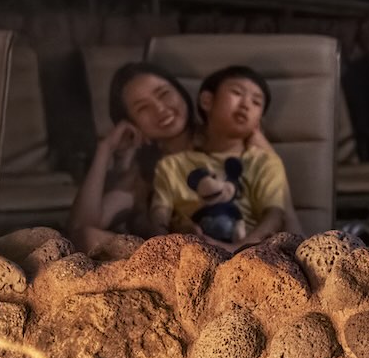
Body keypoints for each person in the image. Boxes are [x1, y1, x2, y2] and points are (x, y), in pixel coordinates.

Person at [152, 65, 297, 250]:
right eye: (237, 93)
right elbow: (159, 215)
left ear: (258, 120)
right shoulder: (171, 165)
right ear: (207, 101)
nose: (245, 104)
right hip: (187, 253)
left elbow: (275, 215)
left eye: (256, 102)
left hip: (249, 257)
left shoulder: (265, 162)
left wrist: (238, 248)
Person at [69, 63, 198, 252]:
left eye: (164, 94)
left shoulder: (226, 138)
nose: (160, 109)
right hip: (176, 263)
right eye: (143, 108)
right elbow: (80, 229)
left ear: (180, 91)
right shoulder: (143, 177)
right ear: (132, 124)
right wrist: (104, 149)